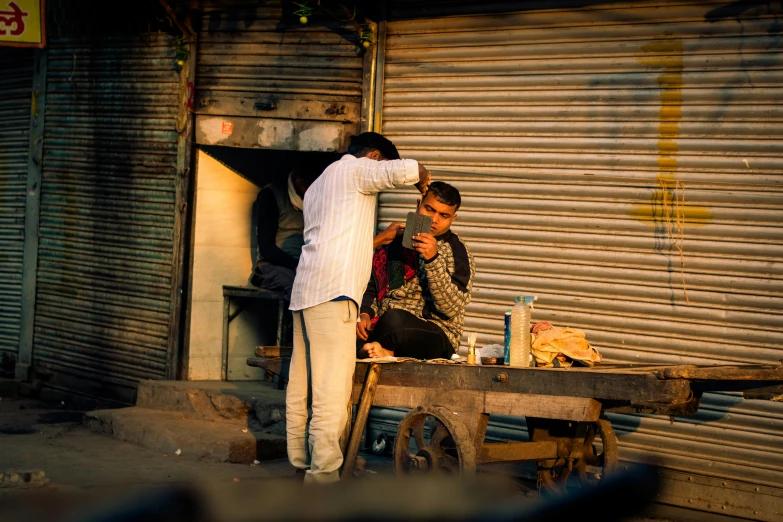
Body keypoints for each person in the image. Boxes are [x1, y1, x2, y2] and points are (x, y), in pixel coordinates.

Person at [285, 132, 431, 484]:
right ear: (374, 157)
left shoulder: (322, 182)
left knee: (301, 387)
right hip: (333, 295)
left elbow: (338, 236)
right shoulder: (356, 171)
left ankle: (301, 462)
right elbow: (410, 169)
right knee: (331, 393)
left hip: (306, 293)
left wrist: (381, 239)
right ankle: (322, 479)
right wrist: (423, 181)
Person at [356, 182, 474, 360]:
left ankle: (382, 352)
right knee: (345, 326)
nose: (434, 219)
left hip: (433, 334)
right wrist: (365, 314)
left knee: (394, 320)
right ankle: (381, 351)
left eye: (443, 215)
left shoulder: (457, 250)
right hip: (383, 325)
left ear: (453, 218)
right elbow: (373, 283)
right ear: (418, 205)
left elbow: (450, 309)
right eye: (429, 209)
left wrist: (432, 259)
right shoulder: (395, 240)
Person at [249, 161, 322, 299]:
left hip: (303, 267)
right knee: (299, 289)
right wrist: (297, 265)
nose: (308, 191)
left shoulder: (317, 200)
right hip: (272, 267)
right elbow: (266, 248)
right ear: (296, 179)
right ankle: (293, 321)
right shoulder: (271, 195)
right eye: (305, 186)